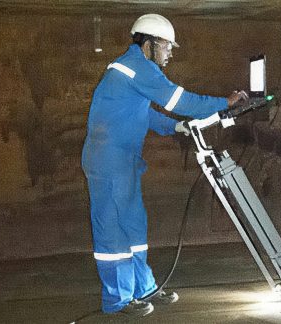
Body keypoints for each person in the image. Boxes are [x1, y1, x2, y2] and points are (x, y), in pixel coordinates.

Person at [81, 13, 248, 317]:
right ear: (151, 43)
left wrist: (177, 128)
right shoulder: (135, 67)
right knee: (113, 231)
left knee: (133, 225)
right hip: (107, 161)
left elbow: (146, 114)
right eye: (168, 46)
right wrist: (225, 102)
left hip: (123, 160)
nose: (170, 53)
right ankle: (117, 300)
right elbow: (179, 100)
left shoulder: (135, 70)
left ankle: (143, 288)